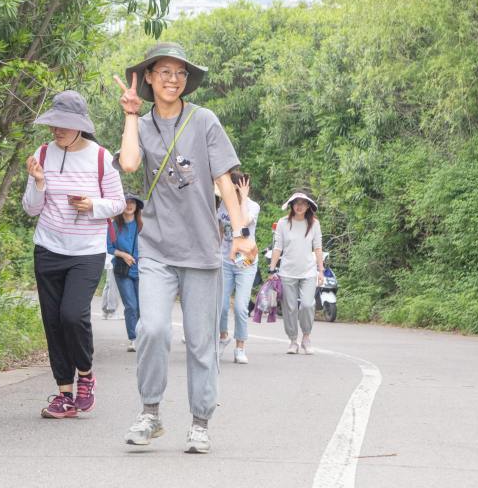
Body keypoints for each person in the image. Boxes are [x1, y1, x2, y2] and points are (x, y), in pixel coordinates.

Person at [112, 42, 255, 454]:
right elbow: (130, 165)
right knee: (152, 329)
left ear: (186, 81)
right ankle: (150, 413)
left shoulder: (204, 120)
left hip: (202, 248)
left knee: (200, 341)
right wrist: (130, 114)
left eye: (180, 73)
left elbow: (225, 181)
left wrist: (241, 232)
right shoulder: (141, 122)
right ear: (151, 78)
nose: (172, 79)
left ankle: (199, 421)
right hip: (156, 246)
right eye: (164, 72)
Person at [23, 90, 126, 419]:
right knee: (52, 322)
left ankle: (86, 375)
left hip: (87, 252)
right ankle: (64, 393)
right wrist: (38, 181)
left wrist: (92, 205)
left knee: (72, 315)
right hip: (48, 247)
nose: (57, 131)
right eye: (54, 125)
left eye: (64, 125)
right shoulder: (42, 154)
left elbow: (119, 204)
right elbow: (30, 209)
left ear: (80, 126)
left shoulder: (101, 158)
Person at [268, 191, 324, 355]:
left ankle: (306, 337)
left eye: (303, 203)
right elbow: (278, 247)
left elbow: (318, 248)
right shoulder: (283, 223)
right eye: (296, 203)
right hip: (287, 272)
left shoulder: (314, 224)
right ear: (292, 205)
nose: (299, 206)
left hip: (308, 272)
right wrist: (272, 269)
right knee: (290, 307)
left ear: (308, 206)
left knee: (307, 304)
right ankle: (293, 340)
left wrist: (321, 271)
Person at [218, 172, 261, 364]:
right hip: (226, 259)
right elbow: (221, 229)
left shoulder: (253, 206)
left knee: (241, 307)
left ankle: (240, 347)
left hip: (246, 260)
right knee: (221, 304)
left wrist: (243, 198)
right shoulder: (223, 204)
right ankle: (223, 336)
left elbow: (242, 222)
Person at [107, 193, 144, 352]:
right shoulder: (114, 226)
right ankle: (133, 338)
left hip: (143, 270)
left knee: (143, 306)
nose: (129, 205)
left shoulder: (143, 225)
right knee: (131, 305)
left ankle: (143, 336)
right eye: (126, 202)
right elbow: (109, 247)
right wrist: (124, 255)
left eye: (132, 203)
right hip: (123, 270)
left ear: (136, 207)